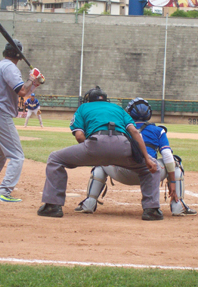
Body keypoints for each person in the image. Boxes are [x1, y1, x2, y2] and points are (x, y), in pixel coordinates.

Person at [37, 86, 163, 221]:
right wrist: (147, 159)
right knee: (152, 166)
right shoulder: (117, 108)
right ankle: (152, 210)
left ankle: (53, 206)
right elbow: (134, 132)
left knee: (55, 159)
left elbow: (79, 136)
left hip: (95, 143)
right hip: (123, 145)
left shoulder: (83, 108)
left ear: (88, 100)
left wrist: (92, 152)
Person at [75, 97, 197, 217]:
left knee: (101, 161)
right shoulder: (157, 130)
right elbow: (167, 157)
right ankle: (178, 205)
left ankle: (89, 203)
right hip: (151, 172)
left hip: (121, 173)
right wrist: (173, 182)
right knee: (176, 163)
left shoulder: (121, 128)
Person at [0, 39, 45, 203]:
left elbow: (23, 91)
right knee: (17, 156)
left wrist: (35, 82)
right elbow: (22, 91)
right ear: (19, 56)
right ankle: (4, 192)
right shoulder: (10, 67)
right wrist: (31, 77)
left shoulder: (0, 66)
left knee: (2, 150)